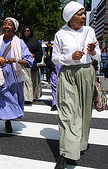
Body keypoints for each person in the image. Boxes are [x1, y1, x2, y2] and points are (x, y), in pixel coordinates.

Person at [52, 2, 101, 169]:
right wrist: (70, 56)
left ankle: (78, 145)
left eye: (83, 14)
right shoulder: (60, 34)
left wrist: (93, 51)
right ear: (70, 17)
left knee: (84, 112)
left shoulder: (90, 31)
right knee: (67, 112)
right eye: (79, 14)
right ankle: (65, 154)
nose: (83, 17)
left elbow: (99, 56)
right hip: (68, 75)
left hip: (87, 73)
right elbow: (55, 58)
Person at [0, 17, 33, 146]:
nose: (6, 26)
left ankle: (8, 121)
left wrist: (15, 60)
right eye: (4, 24)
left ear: (14, 28)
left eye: (9, 25)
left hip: (13, 79)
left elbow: (29, 61)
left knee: (9, 101)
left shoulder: (19, 43)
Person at [22, 26, 43, 104]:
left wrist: (33, 55)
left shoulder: (35, 42)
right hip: (23, 64)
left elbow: (39, 53)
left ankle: (32, 96)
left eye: (28, 31)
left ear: (31, 32)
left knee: (33, 82)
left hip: (32, 64)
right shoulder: (21, 41)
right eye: (25, 31)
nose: (26, 32)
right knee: (25, 81)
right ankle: (26, 97)